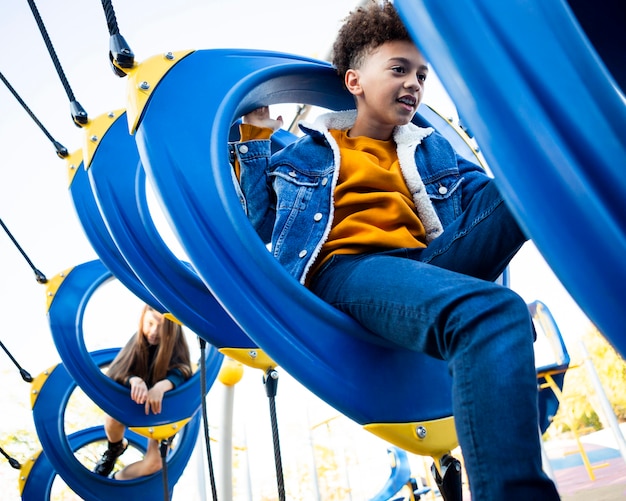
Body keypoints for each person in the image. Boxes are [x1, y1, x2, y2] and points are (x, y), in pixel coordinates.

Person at [231, 1, 561, 498]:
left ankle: (567, 142)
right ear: (355, 81)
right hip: (349, 270)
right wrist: (256, 134)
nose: (414, 83)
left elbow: (488, 205)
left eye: (422, 74)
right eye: (398, 69)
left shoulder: (433, 148)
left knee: (528, 181)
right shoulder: (305, 150)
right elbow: (258, 224)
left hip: (427, 265)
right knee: (495, 313)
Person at [93, 305, 193, 480]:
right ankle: (114, 448)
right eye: (150, 324)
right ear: (142, 321)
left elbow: (183, 370)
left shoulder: (175, 345)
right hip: (136, 402)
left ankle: (115, 480)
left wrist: (163, 386)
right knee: (112, 416)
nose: (154, 331)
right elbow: (116, 372)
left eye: (161, 326)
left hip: (162, 410)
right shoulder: (137, 342)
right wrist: (133, 379)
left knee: (155, 463)